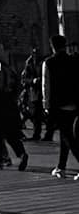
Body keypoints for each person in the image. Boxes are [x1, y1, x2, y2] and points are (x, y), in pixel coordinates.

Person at [43, 35, 79, 180]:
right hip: (75, 102)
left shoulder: (49, 62)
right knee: (67, 135)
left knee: (68, 137)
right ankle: (61, 166)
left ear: (52, 46)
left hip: (58, 103)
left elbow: (46, 85)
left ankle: (63, 167)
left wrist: (46, 105)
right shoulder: (74, 60)